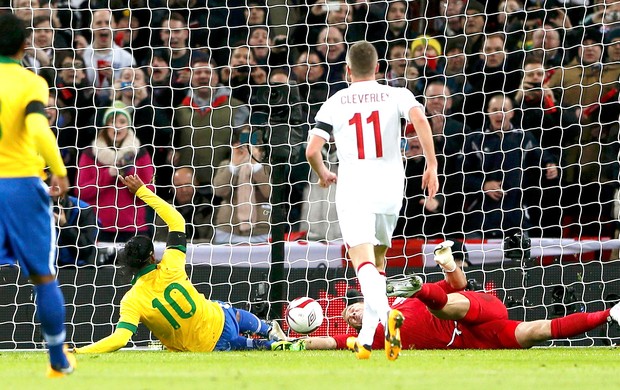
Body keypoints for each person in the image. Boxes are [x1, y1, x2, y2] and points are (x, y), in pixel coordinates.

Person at [305, 41, 439, 360]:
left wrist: (323, 172)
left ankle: (385, 314)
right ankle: (366, 339)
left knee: (361, 259)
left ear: (347, 70)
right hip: (392, 186)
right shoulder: (398, 94)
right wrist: (432, 164)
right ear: (379, 68)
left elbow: (312, 150)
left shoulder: (336, 101)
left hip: (355, 186)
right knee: (378, 260)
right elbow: (421, 120)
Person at [74, 174, 287, 353]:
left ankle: (267, 343)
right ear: (152, 257)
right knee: (227, 310)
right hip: (219, 319)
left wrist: (79, 351)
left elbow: (120, 339)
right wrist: (142, 191)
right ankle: (266, 329)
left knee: (236, 340)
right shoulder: (171, 266)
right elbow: (177, 221)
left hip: (208, 346)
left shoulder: (132, 300)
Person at [283, 241, 620, 351]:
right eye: (351, 319)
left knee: (449, 308)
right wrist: (292, 341)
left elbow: (459, 283)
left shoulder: (401, 303)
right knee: (536, 331)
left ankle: (428, 284)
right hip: (480, 337)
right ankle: (611, 314)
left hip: (475, 308)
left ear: (365, 300)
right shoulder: (370, 338)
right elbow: (328, 342)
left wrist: (448, 267)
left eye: (355, 310)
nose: (354, 317)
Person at [0, 13, 76, 377]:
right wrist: (59, 170)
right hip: (20, 185)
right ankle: (58, 360)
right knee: (43, 276)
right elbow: (37, 127)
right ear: (23, 44)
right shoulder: (31, 82)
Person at [76, 101, 155, 242]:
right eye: (112, 121)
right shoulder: (90, 153)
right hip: (98, 227)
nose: (117, 126)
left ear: (128, 125)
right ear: (106, 125)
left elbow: (150, 192)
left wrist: (130, 177)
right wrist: (108, 175)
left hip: (134, 228)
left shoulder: (141, 153)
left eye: (122, 121)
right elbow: (81, 192)